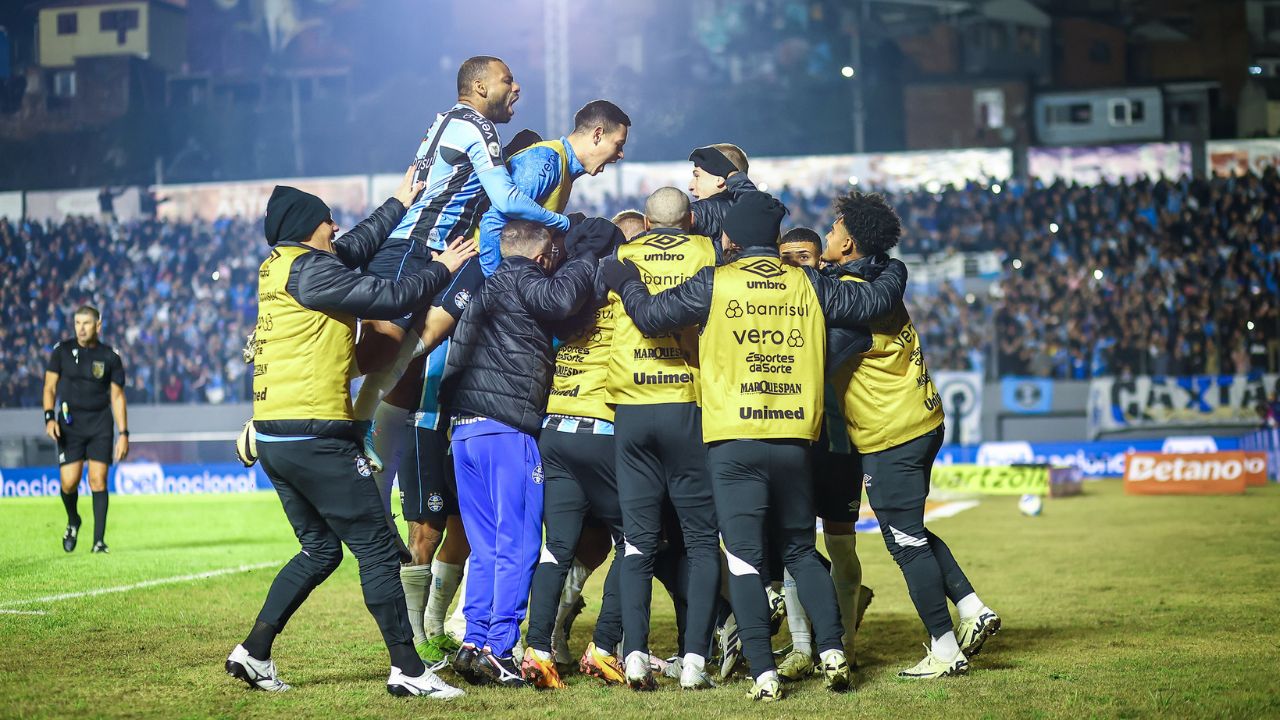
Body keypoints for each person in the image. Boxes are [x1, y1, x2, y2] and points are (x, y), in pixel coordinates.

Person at [601, 191, 909, 702]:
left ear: (731, 239)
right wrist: (893, 267)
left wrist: (628, 281)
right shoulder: (807, 281)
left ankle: (765, 674)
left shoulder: (717, 281)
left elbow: (653, 317)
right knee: (799, 551)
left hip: (732, 437)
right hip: (793, 436)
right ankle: (833, 652)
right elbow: (874, 303)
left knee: (743, 558)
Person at [226, 171, 476, 699]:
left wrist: (400, 201)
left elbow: (357, 243)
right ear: (308, 230)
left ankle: (252, 652)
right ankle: (407, 669)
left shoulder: (285, 267)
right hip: (317, 437)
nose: (335, 226)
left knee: (320, 550)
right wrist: (442, 267)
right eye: (327, 221)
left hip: (278, 435)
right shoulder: (316, 275)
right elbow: (388, 295)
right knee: (381, 551)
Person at [351, 56, 573, 469]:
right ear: (481, 87)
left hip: (431, 250)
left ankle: (358, 424)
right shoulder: (476, 125)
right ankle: (285, 404)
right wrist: (563, 222)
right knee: (380, 350)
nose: (517, 86)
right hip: (412, 245)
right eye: (507, 79)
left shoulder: (448, 121)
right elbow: (505, 199)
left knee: (407, 349)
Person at [820, 191, 1000, 679]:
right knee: (912, 531)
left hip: (890, 434)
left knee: (903, 542)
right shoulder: (879, 276)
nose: (827, 235)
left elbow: (817, 364)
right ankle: (971, 608)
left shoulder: (851, 301)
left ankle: (944, 649)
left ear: (849, 243)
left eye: (834, 230)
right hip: (922, 420)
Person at [440, 219, 614, 688]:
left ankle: (474, 641)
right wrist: (586, 257)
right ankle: (499, 649)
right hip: (504, 430)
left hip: (464, 432)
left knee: (485, 547)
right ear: (542, 257)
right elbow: (561, 300)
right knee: (517, 545)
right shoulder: (523, 278)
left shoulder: (487, 285)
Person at [604, 187, 722, 691]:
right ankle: (694, 660)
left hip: (631, 409)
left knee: (637, 543)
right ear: (690, 220)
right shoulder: (706, 252)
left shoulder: (622, 256)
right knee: (699, 541)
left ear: (647, 223)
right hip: (686, 406)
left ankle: (633, 655)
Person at [520, 221, 629, 689]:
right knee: (635, 541)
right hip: (602, 433)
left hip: (554, 431)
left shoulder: (560, 299)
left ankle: (537, 648)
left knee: (555, 548)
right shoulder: (626, 301)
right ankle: (604, 648)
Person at [775, 226, 873, 680]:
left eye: (805, 256)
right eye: (788, 257)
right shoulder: (771, 309)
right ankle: (800, 647)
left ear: (821, 261)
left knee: (840, 546)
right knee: (795, 546)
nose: (796, 264)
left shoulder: (838, 305)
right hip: (791, 445)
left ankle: (847, 644)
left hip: (837, 447)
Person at [43, 305, 128, 554]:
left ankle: (98, 542)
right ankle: (73, 520)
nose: (81, 328)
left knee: (98, 479)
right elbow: (49, 387)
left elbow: (117, 397)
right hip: (70, 425)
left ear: (98, 325)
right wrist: (49, 418)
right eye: (77, 323)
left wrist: (124, 433)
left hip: (101, 424)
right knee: (69, 483)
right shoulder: (62, 352)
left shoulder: (110, 356)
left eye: (86, 323)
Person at [687, 144, 756, 240]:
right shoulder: (761, 213)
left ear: (719, 180)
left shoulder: (697, 212)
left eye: (697, 176)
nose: (690, 186)